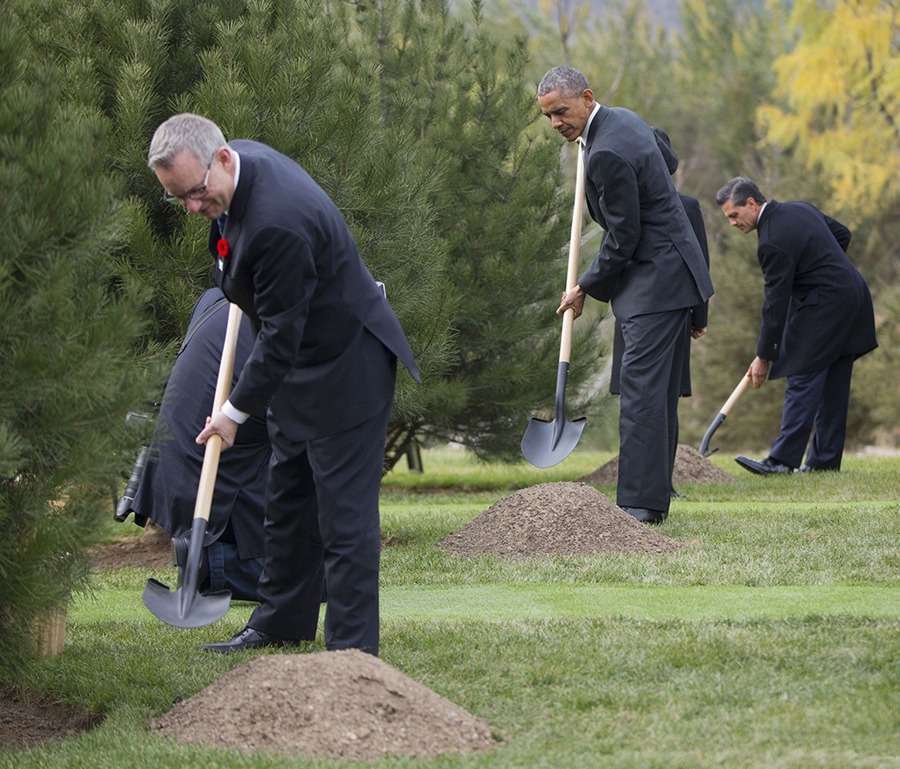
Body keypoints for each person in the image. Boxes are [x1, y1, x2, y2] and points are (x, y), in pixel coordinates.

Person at [147, 113, 419, 655]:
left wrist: (231, 412)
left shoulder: (277, 222)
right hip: (301, 369)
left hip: (347, 368)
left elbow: (278, 340)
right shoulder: (235, 170)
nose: (194, 209)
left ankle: (352, 654)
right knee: (288, 503)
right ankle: (281, 622)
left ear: (222, 159)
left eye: (197, 193)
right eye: (180, 200)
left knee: (343, 520)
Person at [537, 66, 714, 524]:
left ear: (587, 97)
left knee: (640, 395)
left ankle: (638, 507)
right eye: (548, 116)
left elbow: (624, 236)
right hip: (672, 276)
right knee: (656, 393)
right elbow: (665, 162)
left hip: (655, 281)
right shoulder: (623, 121)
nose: (556, 122)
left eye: (562, 111)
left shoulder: (606, 151)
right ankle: (652, 498)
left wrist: (584, 288)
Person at [715, 177, 877, 474]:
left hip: (825, 305)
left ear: (751, 203)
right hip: (852, 294)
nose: (732, 224)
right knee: (834, 379)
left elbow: (774, 303)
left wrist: (764, 356)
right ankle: (824, 462)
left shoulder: (771, 241)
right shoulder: (799, 209)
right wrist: (825, 269)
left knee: (802, 374)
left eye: (734, 215)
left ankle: (781, 461)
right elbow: (842, 234)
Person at [119, 287, 270, 602]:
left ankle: (207, 556)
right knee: (316, 576)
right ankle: (212, 564)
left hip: (187, 469)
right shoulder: (280, 325)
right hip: (206, 472)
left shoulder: (215, 299)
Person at [609, 127, 711, 495]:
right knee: (651, 396)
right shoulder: (626, 202)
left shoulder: (683, 206)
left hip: (659, 309)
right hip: (640, 310)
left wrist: (699, 317)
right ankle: (651, 481)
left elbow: (696, 261)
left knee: (658, 396)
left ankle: (657, 483)